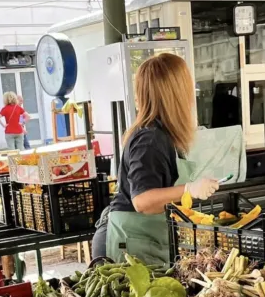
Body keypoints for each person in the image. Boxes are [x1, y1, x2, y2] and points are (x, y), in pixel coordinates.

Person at [91, 52, 220, 264]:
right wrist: (189, 189)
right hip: (127, 241)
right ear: (176, 92)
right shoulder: (149, 139)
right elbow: (142, 200)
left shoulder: (161, 134)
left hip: (142, 237)